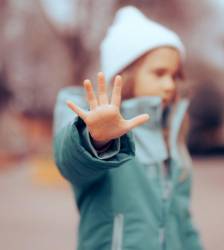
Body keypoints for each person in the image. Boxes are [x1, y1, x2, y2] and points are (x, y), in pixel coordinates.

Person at [53, 6, 203, 250]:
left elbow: (184, 221)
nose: (169, 85)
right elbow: (70, 163)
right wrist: (96, 140)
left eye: (175, 76)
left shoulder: (171, 133)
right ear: (126, 73)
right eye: (159, 73)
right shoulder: (84, 112)